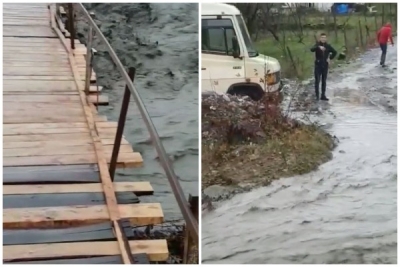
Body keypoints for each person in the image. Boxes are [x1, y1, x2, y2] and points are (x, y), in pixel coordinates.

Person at [310, 33, 337, 101]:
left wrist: (330, 58)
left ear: (326, 39)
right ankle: (317, 96)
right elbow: (312, 49)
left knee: (324, 81)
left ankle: (323, 95)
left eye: (324, 38)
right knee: (317, 80)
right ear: (320, 38)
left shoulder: (328, 46)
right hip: (318, 65)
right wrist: (318, 47)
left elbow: (335, 52)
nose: (323, 39)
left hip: (325, 65)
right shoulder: (317, 45)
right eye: (322, 37)